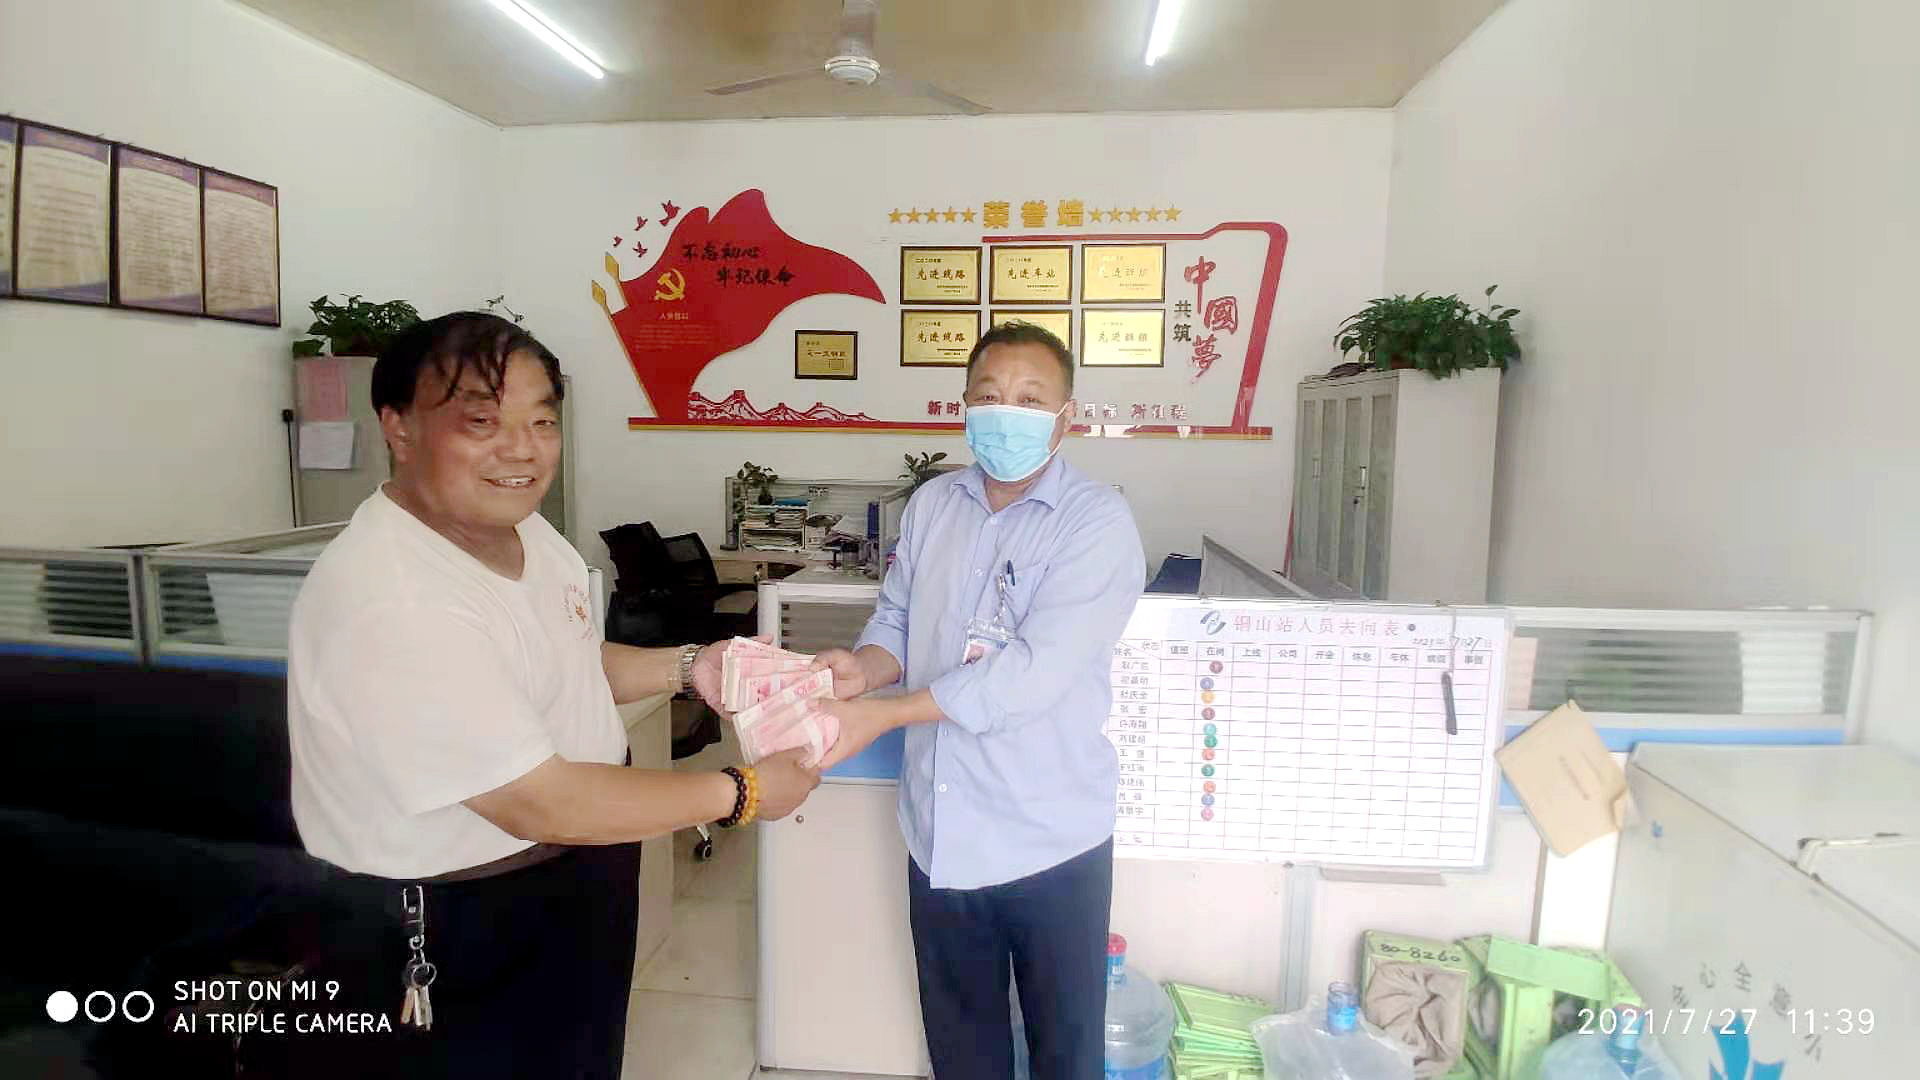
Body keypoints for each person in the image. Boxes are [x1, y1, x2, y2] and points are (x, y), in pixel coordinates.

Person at [285, 311, 818, 1078]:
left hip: (578, 873)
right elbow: (538, 800)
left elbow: (564, 660)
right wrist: (744, 791)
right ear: (398, 427)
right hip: (459, 916)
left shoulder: (529, 533)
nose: (522, 449)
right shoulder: (394, 597)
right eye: (481, 422)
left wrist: (690, 667)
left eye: (541, 421)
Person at [812, 321, 1146, 1079]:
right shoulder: (934, 505)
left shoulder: (1097, 522)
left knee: (1065, 1051)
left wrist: (884, 713)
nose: (1007, 413)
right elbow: (898, 618)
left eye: (1030, 399)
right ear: (963, 405)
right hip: (940, 830)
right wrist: (860, 671)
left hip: (1049, 838)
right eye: (990, 395)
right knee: (961, 1046)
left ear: (1066, 417)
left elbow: (1032, 673)